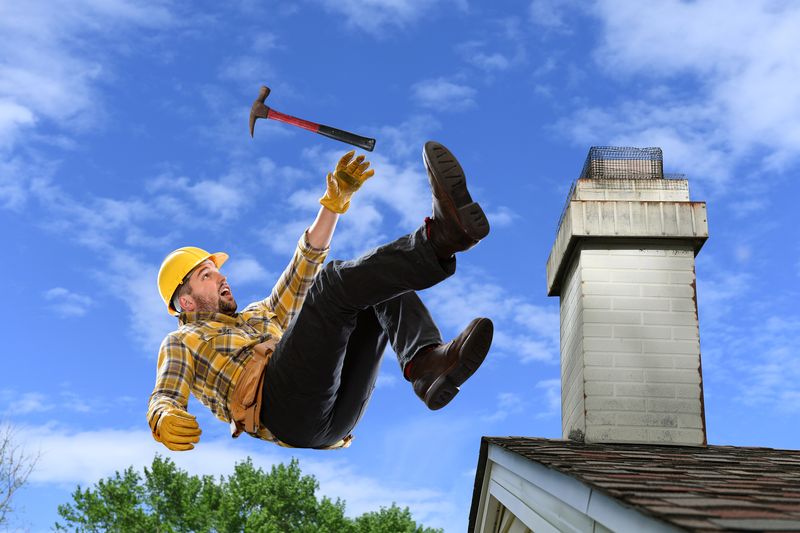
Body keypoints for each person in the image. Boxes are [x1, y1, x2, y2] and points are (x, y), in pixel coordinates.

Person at [148, 141, 493, 451]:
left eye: (217, 270)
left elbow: (303, 268)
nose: (221, 276)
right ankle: (440, 240)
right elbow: (165, 393)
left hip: (334, 415)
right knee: (335, 283)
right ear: (186, 302)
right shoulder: (183, 340)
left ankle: (425, 365)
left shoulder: (258, 314)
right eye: (206, 275)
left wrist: (333, 204)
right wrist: (163, 419)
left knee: (372, 286)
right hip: (278, 408)